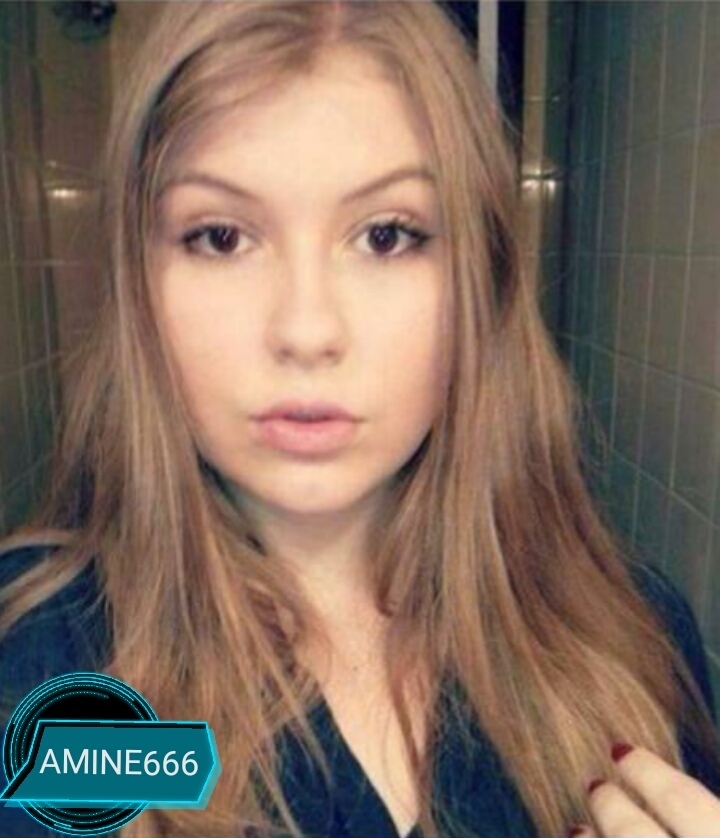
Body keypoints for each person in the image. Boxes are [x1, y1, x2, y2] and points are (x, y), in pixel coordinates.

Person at [1, 2, 719, 837]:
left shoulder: (635, 637)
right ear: (138, 285)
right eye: (221, 237)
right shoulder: (48, 664)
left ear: (479, 282)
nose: (307, 330)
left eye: (386, 236)